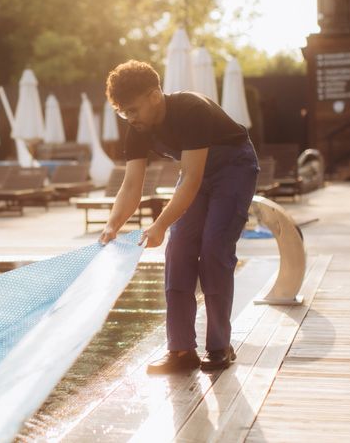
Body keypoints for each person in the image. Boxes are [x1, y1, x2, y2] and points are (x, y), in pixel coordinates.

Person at [99, 60, 259, 374]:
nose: (129, 118)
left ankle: (219, 345)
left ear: (155, 95)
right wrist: (112, 224)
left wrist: (160, 224)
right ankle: (182, 350)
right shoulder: (138, 129)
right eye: (123, 112)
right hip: (196, 175)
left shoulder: (191, 110)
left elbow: (191, 178)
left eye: (132, 109)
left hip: (233, 169)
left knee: (214, 249)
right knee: (179, 251)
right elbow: (131, 185)